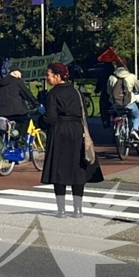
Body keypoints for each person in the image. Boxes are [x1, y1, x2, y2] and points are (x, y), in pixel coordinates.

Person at [39, 62, 104, 218]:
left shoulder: (53, 94)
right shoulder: (76, 92)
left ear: (57, 76)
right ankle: (78, 209)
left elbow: (51, 117)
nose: (46, 77)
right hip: (77, 131)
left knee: (58, 169)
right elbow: (84, 113)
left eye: (48, 75)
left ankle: (61, 210)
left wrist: (40, 121)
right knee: (77, 168)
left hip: (60, 131)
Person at [107, 57, 139, 140]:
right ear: (126, 65)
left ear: (116, 65)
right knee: (136, 117)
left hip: (116, 103)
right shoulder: (131, 76)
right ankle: (134, 130)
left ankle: (119, 128)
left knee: (120, 114)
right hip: (129, 102)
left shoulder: (111, 77)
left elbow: (109, 91)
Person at [0, 69, 39, 136]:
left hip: (1, 111)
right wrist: (36, 104)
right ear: (15, 73)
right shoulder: (18, 82)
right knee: (26, 120)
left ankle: (11, 137)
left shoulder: (3, 83)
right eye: (20, 73)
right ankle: (21, 138)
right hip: (15, 111)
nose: (21, 75)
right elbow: (27, 94)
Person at [94, 61, 116, 129]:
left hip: (104, 92)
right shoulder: (114, 73)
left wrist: (97, 90)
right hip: (113, 92)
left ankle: (105, 120)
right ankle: (115, 118)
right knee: (114, 105)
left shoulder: (101, 73)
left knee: (103, 105)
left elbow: (99, 82)